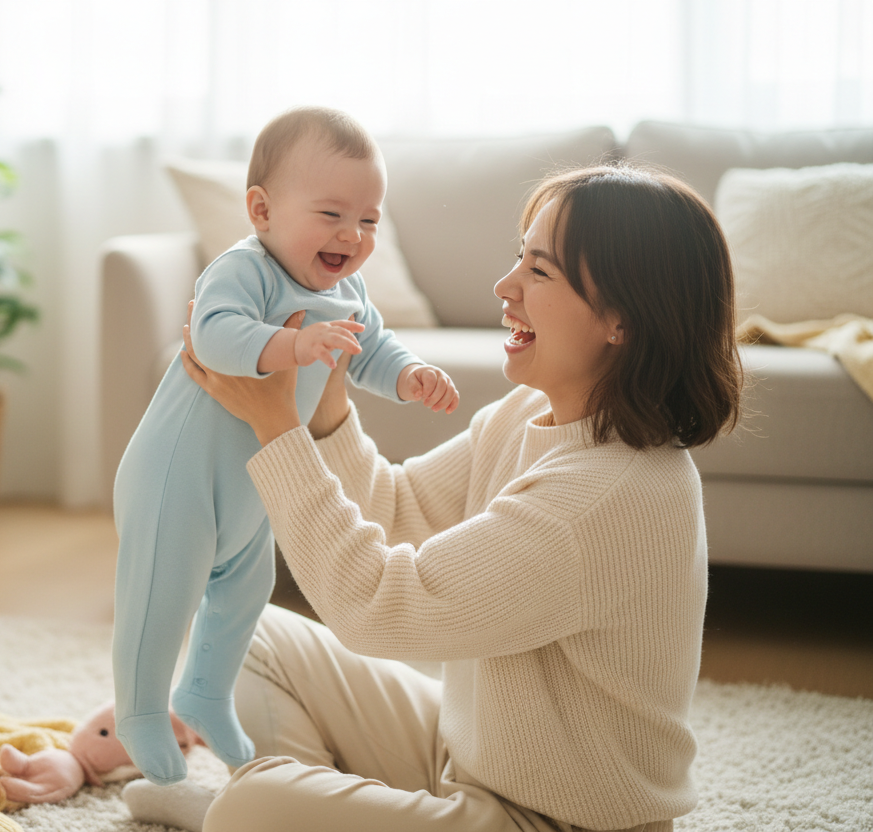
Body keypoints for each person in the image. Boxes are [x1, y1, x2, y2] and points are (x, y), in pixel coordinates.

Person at [124, 163, 743, 831]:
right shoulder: (532, 413)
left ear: (621, 317)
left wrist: (277, 429)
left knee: (254, 803)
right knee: (252, 637)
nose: (505, 288)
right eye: (519, 259)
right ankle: (283, 806)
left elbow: (380, 608)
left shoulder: (606, 497)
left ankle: (250, 808)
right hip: (473, 757)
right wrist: (325, 399)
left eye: (539, 272)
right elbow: (397, 509)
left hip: (555, 820)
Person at [112, 106, 460, 786]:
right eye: (332, 214)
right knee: (164, 591)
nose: (353, 235)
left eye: (368, 219)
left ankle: (205, 693)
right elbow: (212, 337)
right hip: (175, 477)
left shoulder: (348, 289)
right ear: (262, 210)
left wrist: (409, 374)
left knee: (248, 587)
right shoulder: (244, 272)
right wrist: (294, 345)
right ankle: (142, 710)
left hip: (249, 485)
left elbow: (369, 349)